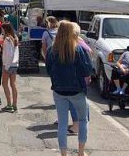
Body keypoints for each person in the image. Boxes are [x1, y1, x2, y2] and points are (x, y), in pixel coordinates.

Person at [45, 21, 93, 156]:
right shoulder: (78, 49)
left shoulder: (51, 49)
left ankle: (63, 153)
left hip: (59, 90)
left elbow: (48, 69)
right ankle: (81, 152)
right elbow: (87, 69)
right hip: (77, 90)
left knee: (62, 123)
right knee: (83, 120)